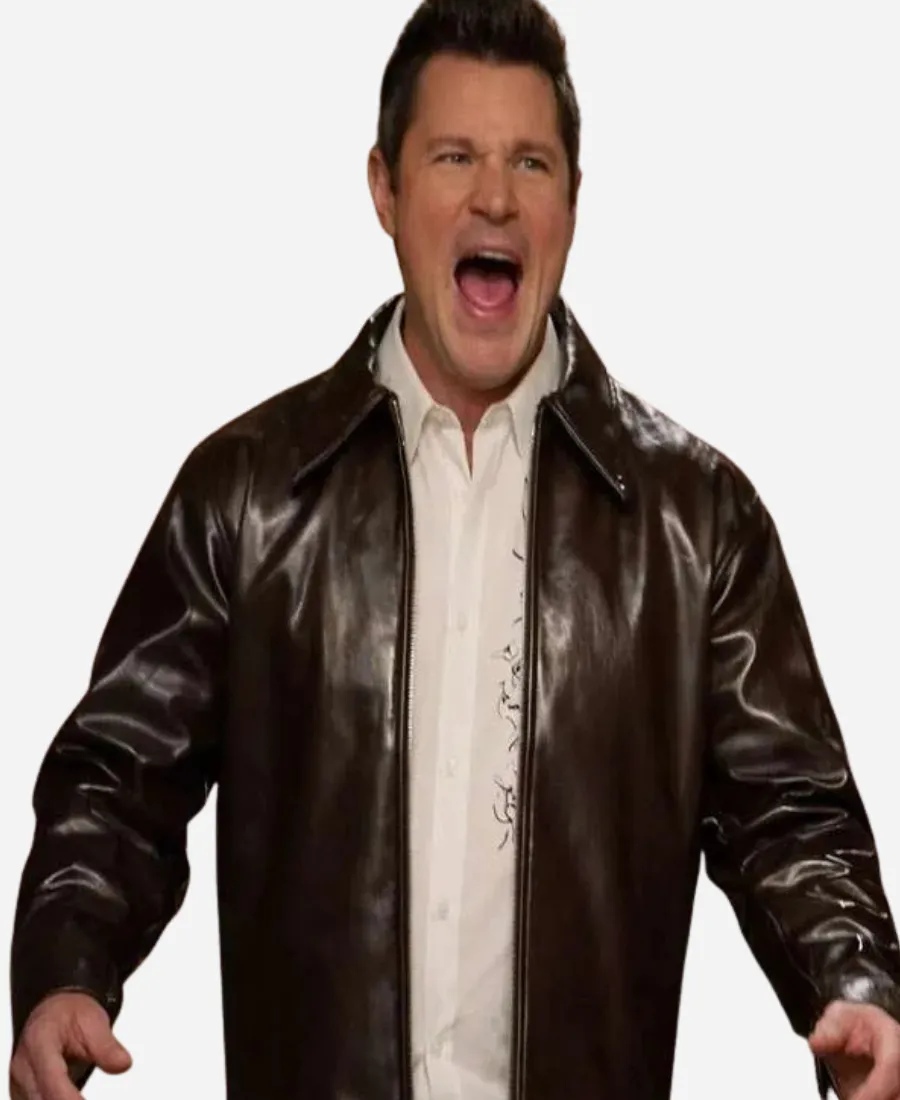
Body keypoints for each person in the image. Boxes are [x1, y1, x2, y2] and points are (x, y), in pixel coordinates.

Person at [9, 1, 900, 1098]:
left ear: (572, 201)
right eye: (454, 156)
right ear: (385, 189)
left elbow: (790, 810)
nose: (495, 196)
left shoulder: (698, 521)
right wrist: (65, 970)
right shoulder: (246, 495)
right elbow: (119, 777)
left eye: (530, 161)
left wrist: (854, 980)